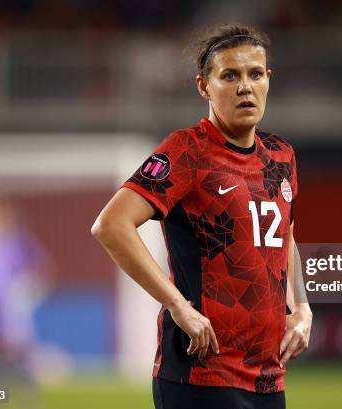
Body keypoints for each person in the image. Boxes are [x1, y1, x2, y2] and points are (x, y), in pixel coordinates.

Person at [92, 23, 312, 409]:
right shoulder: (187, 151)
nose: (246, 86)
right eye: (230, 75)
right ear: (203, 87)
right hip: (201, 373)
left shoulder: (281, 155)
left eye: (255, 74)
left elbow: (284, 237)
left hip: (267, 374)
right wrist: (177, 305)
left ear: (268, 79)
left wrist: (302, 308)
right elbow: (111, 224)